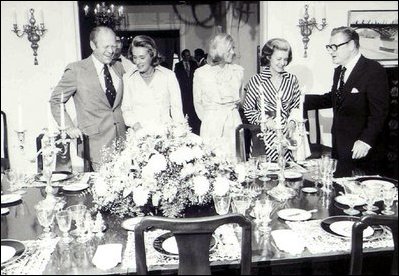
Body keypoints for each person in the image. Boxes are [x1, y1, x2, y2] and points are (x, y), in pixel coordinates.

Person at [304, 26, 389, 177]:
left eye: (334, 46)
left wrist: (365, 141)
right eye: (329, 47)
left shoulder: (373, 70)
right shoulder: (339, 71)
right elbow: (334, 98)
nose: (330, 51)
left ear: (351, 45)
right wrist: (299, 99)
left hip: (362, 152)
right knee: (340, 192)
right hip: (340, 147)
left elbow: (379, 113)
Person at [50, 26, 126, 171]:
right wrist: (68, 126)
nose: (111, 51)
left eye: (113, 46)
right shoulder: (76, 70)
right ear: (93, 45)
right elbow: (55, 101)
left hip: (123, 143)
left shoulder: (119, 67)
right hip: (94, 144)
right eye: (106, 46)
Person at [243, 38, 303, 162]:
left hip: (286, 135)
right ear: (269, 57)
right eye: (279, 59)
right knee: (264, 176)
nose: (283, 63)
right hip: (264, 135)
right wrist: (266, 121)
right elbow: (248, 110)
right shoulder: (256, 80)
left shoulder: (292, 80)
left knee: (286, 172)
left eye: (285, 59)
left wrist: (292, 123)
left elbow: (296, 107)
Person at [193, 33, 244, 161]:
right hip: (211, 124)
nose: (233, 52)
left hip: (233, 122)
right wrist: (211, 119)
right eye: (230, 49)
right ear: (220, 50)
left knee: (235, 162)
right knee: (212, 163)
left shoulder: (238, 71)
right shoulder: (201, 73)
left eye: (233, 48)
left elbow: (240, 100)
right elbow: (197, 103)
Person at [122, 35, 185, 133]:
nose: (137, 62)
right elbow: (126, 109)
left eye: (142, 57)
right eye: (135, 57)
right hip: (138, 134)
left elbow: (177, 109)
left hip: (164, 134)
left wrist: (179, 132)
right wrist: (136, 125)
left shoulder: (168, 76)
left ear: (152, 55)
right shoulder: (128, 78)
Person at [174, 49, 201, 134]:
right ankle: (186, 127)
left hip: (193, 91)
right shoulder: (178, 65)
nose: (188, 57)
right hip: (183, 92)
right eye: (186, 55)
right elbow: (177, 78)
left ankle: (194, 127)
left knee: (193, 109)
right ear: (182, 56)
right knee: (185, 109)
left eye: (189, 55)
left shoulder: (194, 64)